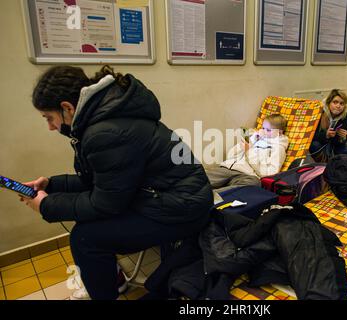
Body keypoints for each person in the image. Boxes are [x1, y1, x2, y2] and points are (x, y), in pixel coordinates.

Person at [21, 65, 214, 300]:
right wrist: (50, 185)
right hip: (168, 197)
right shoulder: (106, 119)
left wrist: (46, 206)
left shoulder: (105, 131)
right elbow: (100, 182)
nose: (50, 127)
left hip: (183, 208)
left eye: (49, 118)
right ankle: (114, 280)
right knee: (88, 223)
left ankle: (107, 289)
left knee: (85, 238)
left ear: (67, 108)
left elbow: (106, 204)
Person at [206, 114, 289, 193]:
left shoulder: (278, 148)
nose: (264, 132)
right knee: (200, 179)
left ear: (280, 132)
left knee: (253, 184)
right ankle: (201, 193)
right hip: (229, 168)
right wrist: (251, 141)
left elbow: (269, 173)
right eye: (263, 128)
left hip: (247, 175)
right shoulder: (256, 139)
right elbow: (230, 155)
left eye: (268, 130)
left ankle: (212, 196)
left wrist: (249, 152)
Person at [309, 89, 347, 162]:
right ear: (329, 103)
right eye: (335, 102)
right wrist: (326, 135)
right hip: (320, 143)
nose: (338, 106)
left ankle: (337, 165)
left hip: (333, 144)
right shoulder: (319, 113)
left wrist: (343, 138)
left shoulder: (345, 117)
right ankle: (323, 164)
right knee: (314, 145)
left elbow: (341, 143)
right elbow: (311, 136)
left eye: (341, 103)